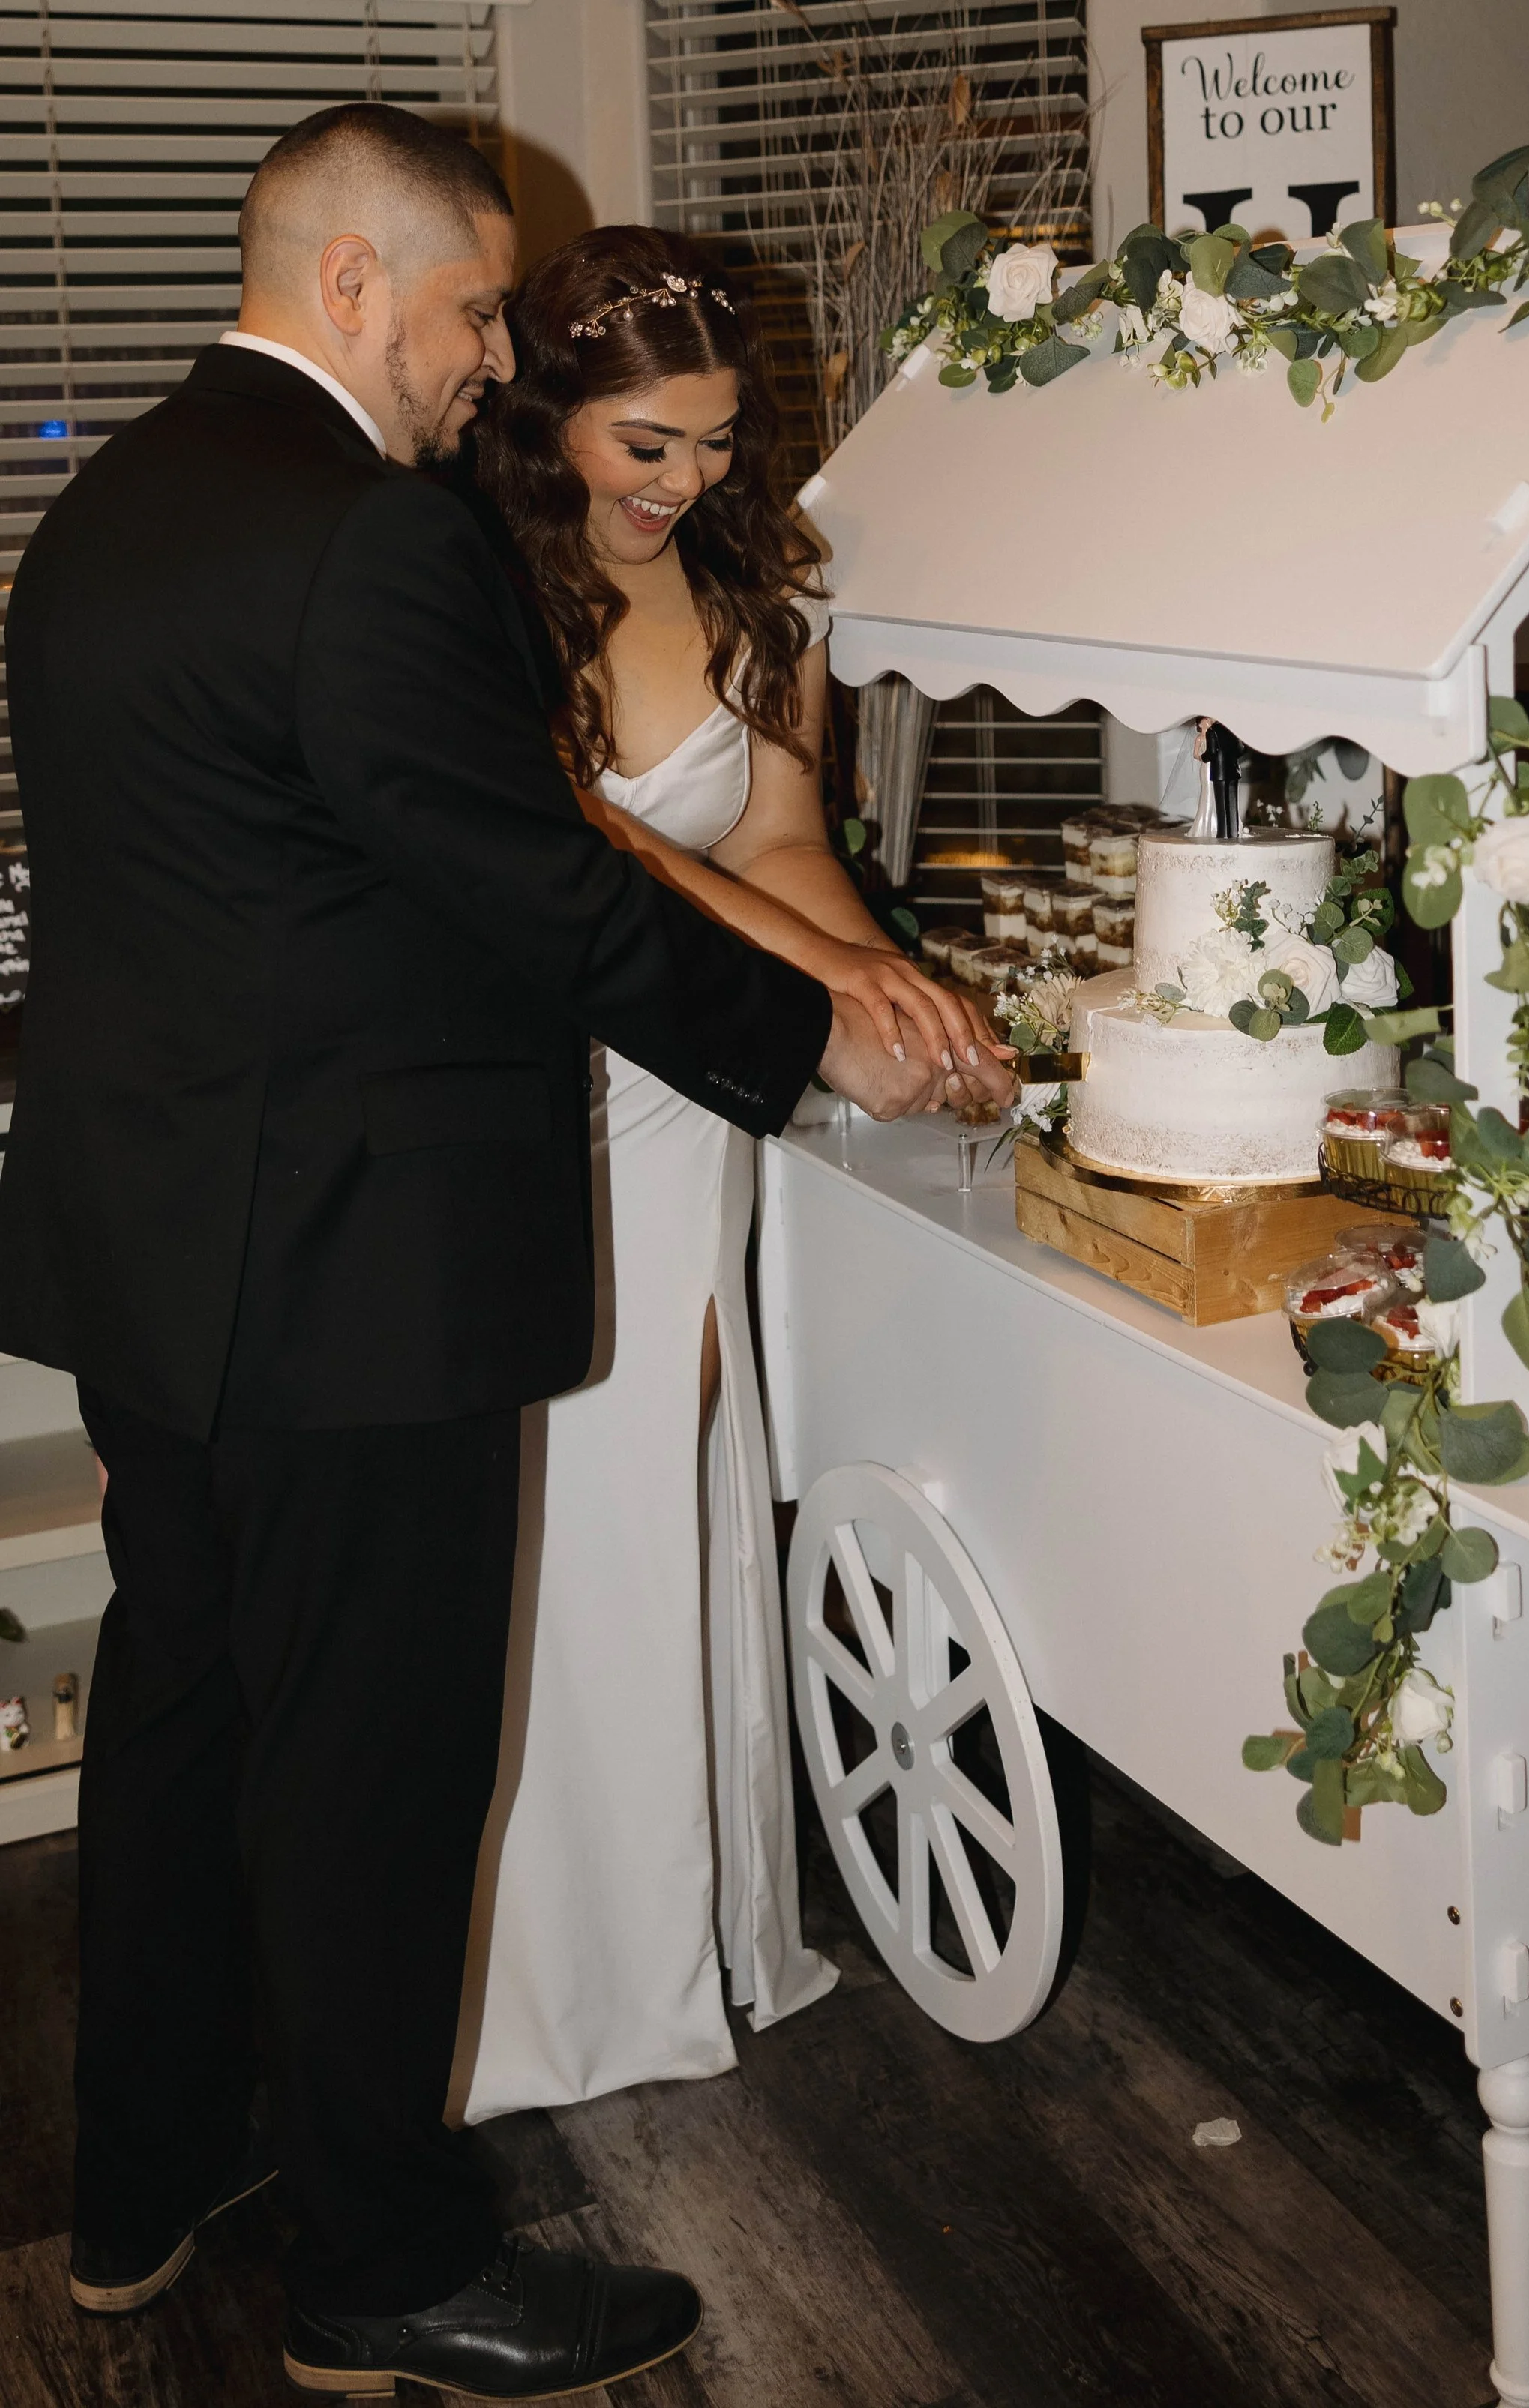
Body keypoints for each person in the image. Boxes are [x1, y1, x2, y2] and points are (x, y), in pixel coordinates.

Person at [0, 103, 1003, 2403]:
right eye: (467, 311)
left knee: (182, 1718)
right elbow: (530, 889)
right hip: (357, 1267)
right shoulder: (369, 538)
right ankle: (384, 2268)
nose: (484, 363)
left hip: (154, 1252)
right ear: (357, 286)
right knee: (366, 1768)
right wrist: (808, 1036)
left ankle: (145, 2193)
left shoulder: (107, 508)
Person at [459, 229, 1002, 2119]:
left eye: (709, 441)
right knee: (544, 1509)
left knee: (678, 1473)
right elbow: (574, 847)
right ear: (545, 428)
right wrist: (832, 981)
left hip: (696, 1105)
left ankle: (682, 1934)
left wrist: (882, 974)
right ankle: (529, 1978)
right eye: (643, 445)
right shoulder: (463, 590)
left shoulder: (762, 591)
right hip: (525, 1092)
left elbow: (774, 841)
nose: (683, 480)